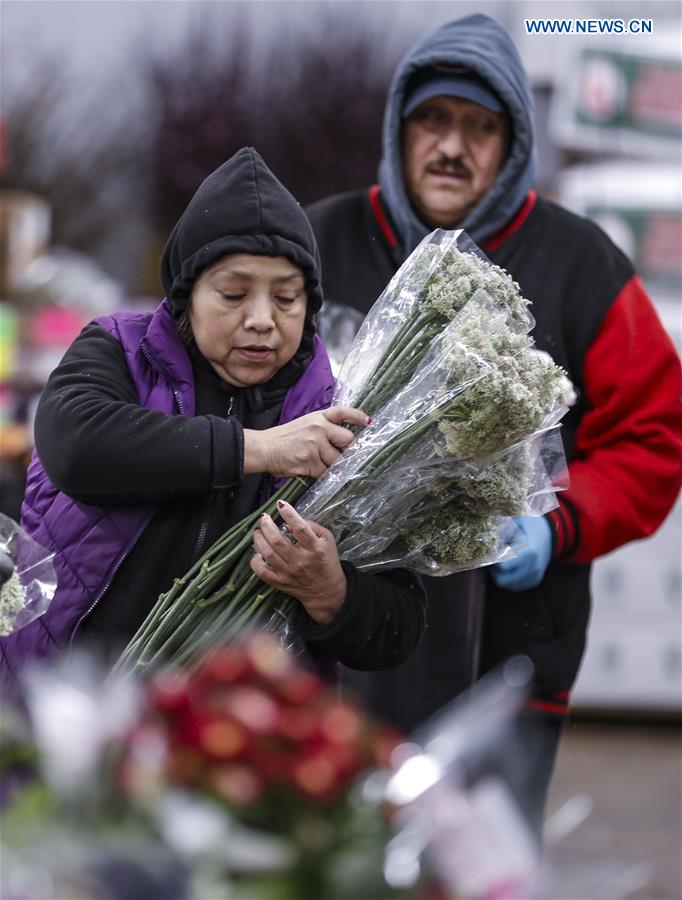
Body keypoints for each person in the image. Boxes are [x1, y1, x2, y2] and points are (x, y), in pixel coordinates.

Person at [306, 14, 682, 829]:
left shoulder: (581, 262)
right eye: (433, 120)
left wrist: (559, 523)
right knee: (321, 861)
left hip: (506, 654)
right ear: (399, 128)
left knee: (477, 868)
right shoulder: (317, 241)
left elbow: (655, 439)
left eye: (480, 127)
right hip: (329, 639)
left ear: (513, 146)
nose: (452, 146)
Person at [0, 148, 426, 695]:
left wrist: (331, 590)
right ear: (187, 293)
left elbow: (398, 626)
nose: (261, 320)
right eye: (233, 294)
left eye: (286, 298)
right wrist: (258, 449)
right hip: (68, 707)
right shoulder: (118, 350)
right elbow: (76, 448)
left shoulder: (338, 415)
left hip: (235, 730)